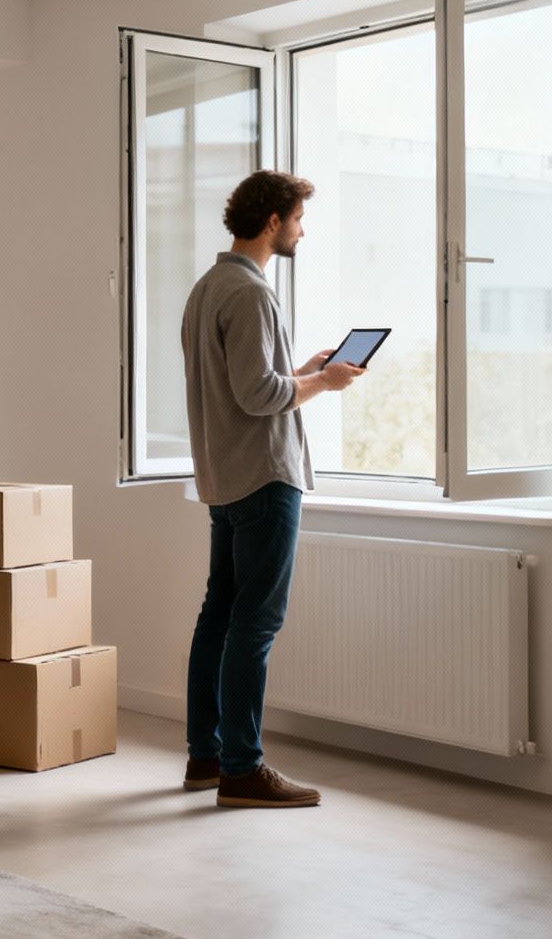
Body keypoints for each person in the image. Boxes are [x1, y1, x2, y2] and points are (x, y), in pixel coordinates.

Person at [179, 169, 363, 808]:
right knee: (255, 625)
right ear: (272, 222)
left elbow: (244, 384)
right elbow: (260, 397)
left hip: (225, 479)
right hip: (263, 478)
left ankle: (206, 757)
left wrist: (300, 371)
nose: (302, 231)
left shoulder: (208, 288)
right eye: (298, 219)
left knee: (218, 619)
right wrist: (325, 384)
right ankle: (243, 768)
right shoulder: (251, 294)